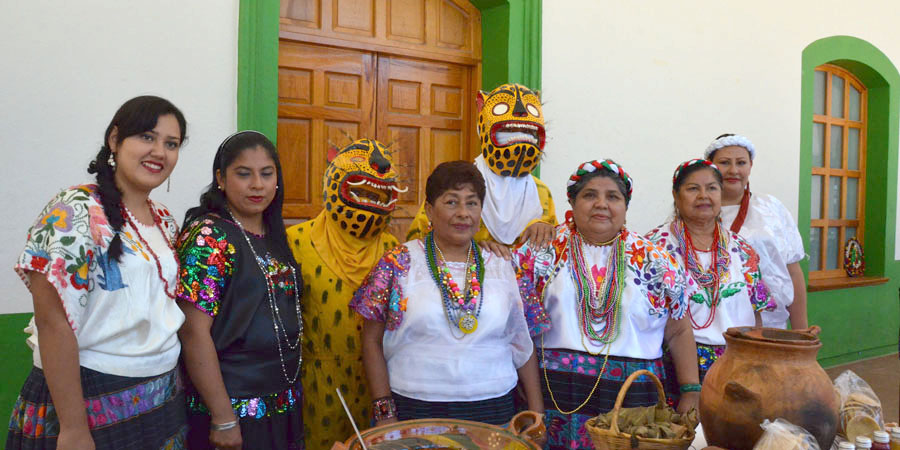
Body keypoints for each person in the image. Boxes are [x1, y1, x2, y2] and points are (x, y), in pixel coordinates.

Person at [7, 95, 188, 449]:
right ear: (115, 140)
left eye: (171, 144)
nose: (159, 152)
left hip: (160, 399)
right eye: (147, 137)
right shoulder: (73, 210)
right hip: (88, 400)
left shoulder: (165, 221)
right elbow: (52, 322)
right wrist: (74, 429)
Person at [512, 159, 699, 450]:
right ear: (572, 202)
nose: (601, 204)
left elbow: (678, 331)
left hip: (634, 400)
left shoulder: (657, 260)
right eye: (589, 195)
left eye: (613, 196)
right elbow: (517, 328)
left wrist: (690, 390)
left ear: (626, 205)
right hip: (555, 396)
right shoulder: (539, 253)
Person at [350, 160, 544, 427]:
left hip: (493, 409)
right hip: (414, 407)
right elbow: (371, 340)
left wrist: (536, 413)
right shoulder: (399, 262)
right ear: (429, 210)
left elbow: (523, 342)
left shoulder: (505, 266)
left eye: (472, 203)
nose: (463, 213)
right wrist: (384, 413)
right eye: (451, 202)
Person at [177, 131, 303, 450]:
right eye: (243, 174)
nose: (257, 185)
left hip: (282, 401)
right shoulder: (210, 238)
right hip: (233, 407)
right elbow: (193, 332)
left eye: (266, 173)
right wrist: (224, 417)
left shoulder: (274, 235)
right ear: (220, 178)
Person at [285, 139, 401, 450]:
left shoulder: (394, 251)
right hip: (313, 385)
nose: (368, 201)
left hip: (379, 383)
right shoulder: (294, 242)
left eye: (377, 194)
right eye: (362, 191)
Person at [646, 158, 775, 386]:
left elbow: (756, 313)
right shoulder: (654, 248)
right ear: (676, 196)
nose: (703, 195)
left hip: (737, 364)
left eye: (712, 188)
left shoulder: (742, 249)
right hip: (674, 365)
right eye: (693, 188)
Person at [406, 83, 557, 248]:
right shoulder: (458, 184)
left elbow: (553, 252)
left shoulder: (541, 193)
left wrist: (547, 231)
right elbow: (418, 242)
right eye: (508, 130)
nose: (517, 136)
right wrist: (474, 252)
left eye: (527, 133)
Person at [705, 134, 807, 329]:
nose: (734, 170)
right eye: (725, 163)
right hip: (714, 329)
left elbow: (793, 272)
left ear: (750, 166)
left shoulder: (771, 208)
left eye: (741, 162)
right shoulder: (699, 213)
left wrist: (801, 330)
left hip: (771, 327)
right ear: (710, 167)